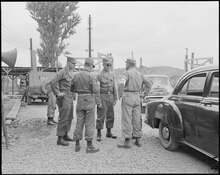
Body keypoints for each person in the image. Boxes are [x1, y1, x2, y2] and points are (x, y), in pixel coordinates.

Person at [117, 58, 152, 149]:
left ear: (129, 64)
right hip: (137, 97)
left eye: (126, 63)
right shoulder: (140, 74)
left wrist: (120, 94)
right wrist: (144, 94)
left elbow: (121, 84)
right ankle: (138, 139)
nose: (126, 65)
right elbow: (149, 84)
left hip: (128, 96)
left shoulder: (126, 73)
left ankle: (127, 141)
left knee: (127, 118)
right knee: (136, 118)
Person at [71, 58, 101, 153]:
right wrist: (98, 102)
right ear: (90, 66)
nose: (92, 68)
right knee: (90, 123)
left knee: (79, 121)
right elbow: (95, 90)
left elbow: (72, 88)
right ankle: (89, 145)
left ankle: (77, 144)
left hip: (80, 99)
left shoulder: (76, 75)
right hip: (89, 100)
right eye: (92, 67)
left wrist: (79, 91)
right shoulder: (92, 76)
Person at [50, 56, 77, 146]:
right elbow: (53, 81)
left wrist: (74, 94)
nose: (74, 65)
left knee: (70, 117)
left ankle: (65, 134)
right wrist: (57, 93)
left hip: (69, 97)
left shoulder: (71, 72)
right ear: (68, 63)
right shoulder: (62, 72)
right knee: (63, 117)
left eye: (75, 63)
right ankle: (60, 138)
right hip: (64, 97)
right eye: (73, 63)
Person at [96, 58, 117, 141]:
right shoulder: (99, 75)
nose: (108, 66)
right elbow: (96, 89)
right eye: (107, 65)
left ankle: (109, 132)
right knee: (101, 115)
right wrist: (98, 101)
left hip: (110, 96)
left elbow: (114, 86)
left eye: (110, 65)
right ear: (103, 65)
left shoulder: (112, 74)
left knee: (111, 115)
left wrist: (115, 97)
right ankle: (99, 133)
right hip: (102, 96)